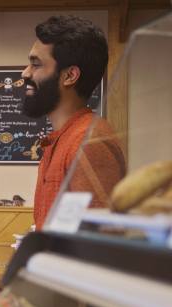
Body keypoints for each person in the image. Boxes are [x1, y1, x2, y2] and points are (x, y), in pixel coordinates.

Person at [22, 15, 126, 230]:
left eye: (35, 64)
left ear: (69, 76)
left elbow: (99, 245)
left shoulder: (89, 142)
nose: (25, 73)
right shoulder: (62, 140)